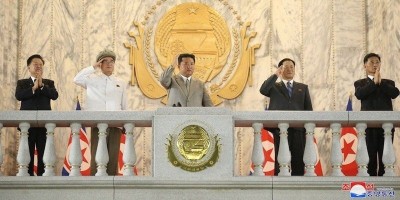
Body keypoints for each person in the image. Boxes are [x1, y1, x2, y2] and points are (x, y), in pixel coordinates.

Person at [73, 49, 128, 176]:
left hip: (115, 124)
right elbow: (76, 79)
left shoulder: (120, 82)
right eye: (105, 61)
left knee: (113, 158)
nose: (109, 64)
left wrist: (125, 123)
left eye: (112, 61)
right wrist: (93, 67)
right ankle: (95, 186)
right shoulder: (92, 79)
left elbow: (124, 105)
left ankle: (111, 186)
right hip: (98, 124)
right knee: (97, 158)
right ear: (100, 64)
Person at [259, 58, 313, 176]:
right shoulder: (274, 86)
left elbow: (309, 110)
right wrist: (275, 75)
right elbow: (263, 90)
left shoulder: (303, 88)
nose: (289, 69)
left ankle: (298, 187)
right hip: (280, 128)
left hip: (298, 129)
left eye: (291, 67)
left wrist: (308, 130)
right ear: (280, 70)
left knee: (298, 160)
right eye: (285, 67)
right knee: (281, 160)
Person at [354, 53, 399, 176]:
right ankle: (371, 186)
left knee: (386, 157)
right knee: (370, 157)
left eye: (377, 62)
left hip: (387, 127)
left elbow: (395, 93)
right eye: (372, 62)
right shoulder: (360, 83)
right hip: (368, 126)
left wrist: (380, 82)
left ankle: (385, 188)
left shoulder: (388, 82)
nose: (375, 65)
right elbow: (359, 95)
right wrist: (374, 83)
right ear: (365, 65)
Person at [15, 54, 59, 176]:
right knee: (26, 151)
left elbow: (54, 96)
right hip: (27, 125)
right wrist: (33, 88)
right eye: (35, 64)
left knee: (43, 152)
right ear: (29, 67)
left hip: (44, 125)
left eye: (40, 65)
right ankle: (26, 177)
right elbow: (19, 96)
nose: (38, 66)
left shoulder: (49, 83)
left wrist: (42, 86)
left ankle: (42, 177)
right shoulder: (22, 83)